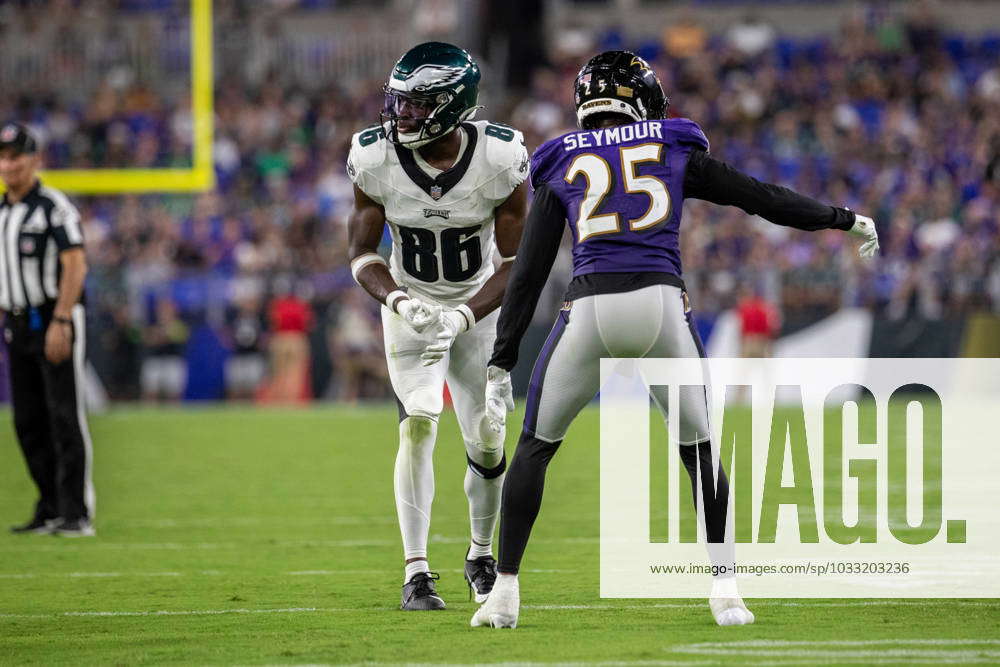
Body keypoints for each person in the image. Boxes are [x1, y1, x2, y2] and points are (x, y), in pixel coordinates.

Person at [472, 51, 880, 629]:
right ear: (638, 99)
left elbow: (530, 270)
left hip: (588, 309)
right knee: (700, 451)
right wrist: (843, 218)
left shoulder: (562, 158)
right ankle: (726, 590)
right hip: (662, 308)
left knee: (536, 446)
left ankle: (505, 592)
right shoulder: (672, 143)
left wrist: (501, 359)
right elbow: (760, 197)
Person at [346, 42, 528, 610]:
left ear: (454, 106)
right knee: (419, 420)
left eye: (417, 105)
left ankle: (479, 554)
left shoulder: (501, 157)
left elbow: (519, 266)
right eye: (399, 102)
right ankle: (416, 572)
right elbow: (361, 254)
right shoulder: (373, 158)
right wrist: (402, 303)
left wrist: (464, 314)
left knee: (489, 437)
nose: (402, 115)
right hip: (412, 307)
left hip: (478, 309)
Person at [0, 122, 96, 537]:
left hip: (53, 317)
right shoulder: (3, 212)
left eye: (16, 156)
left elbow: (75, 264)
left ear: (35, 159)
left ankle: (76, 512)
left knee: (63, 415)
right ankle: (49, 506)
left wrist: (61, 318)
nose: (8, 165)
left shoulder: (54, 206)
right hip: (16, 322)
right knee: (27, 420)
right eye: (3, 157)